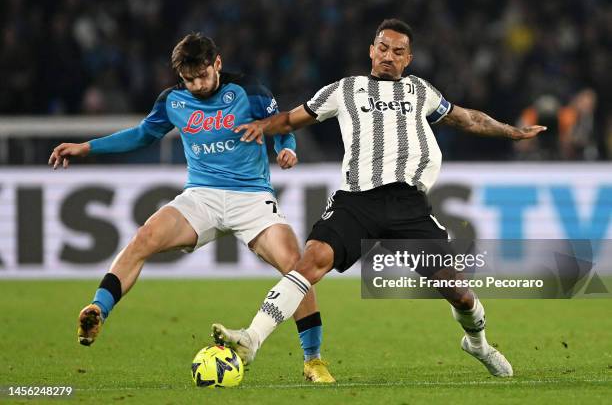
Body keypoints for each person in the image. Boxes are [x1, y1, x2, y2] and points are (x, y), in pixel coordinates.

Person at [212, 19, 547, 378]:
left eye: (398, 52)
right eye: (383, 48)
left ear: (409, 59)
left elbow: (468, 119)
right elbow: (294, 118)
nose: (389, 56)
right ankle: (252, 338)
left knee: (460, 293)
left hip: (408, 207)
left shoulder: (420, 91)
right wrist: (265, 126)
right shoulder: (345, 90)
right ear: (372, 51)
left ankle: (477, 343)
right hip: (355, 201)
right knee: (310, 262)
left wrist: (511, 132)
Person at [48, 33, 335, 383]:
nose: (197, 85)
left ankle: (313, 360)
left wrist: (286, 148)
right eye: (189, 79)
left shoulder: (250, 91)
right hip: (201, 196)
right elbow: (142, 135)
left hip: (252, 198)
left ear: (217, 63)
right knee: (144, 238)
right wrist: (87, 148)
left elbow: (283, 125)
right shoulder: (173, 100)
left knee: (296, 265)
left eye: (202, 75)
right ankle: (98, 308)